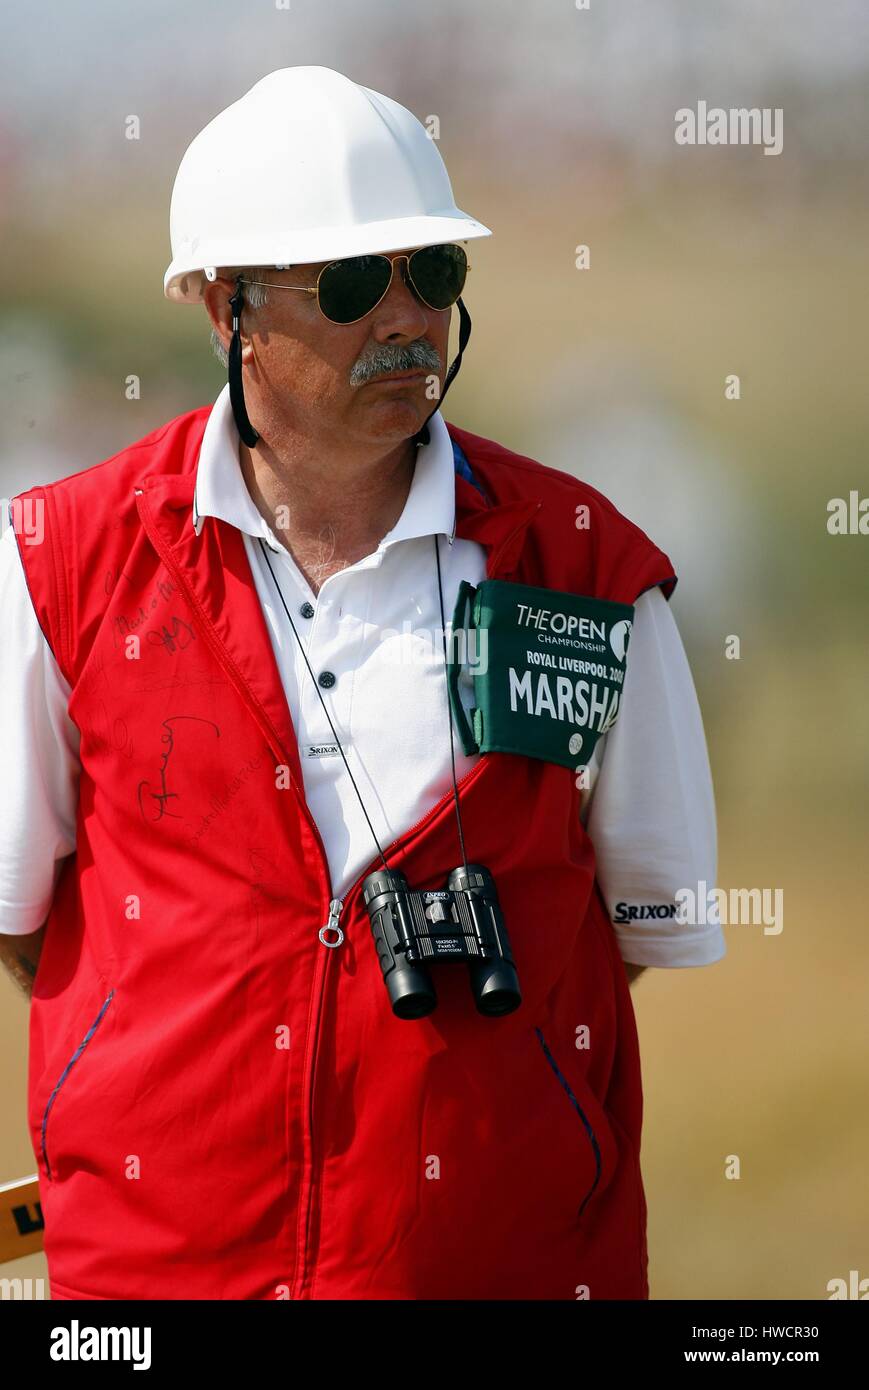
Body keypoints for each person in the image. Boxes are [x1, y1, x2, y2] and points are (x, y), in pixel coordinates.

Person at [0, 65, 724, 1301]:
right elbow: (22, 920)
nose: (405, 319)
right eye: (350, 284)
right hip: (157, 1284)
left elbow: (637, 926)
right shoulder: (57, 561)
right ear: (226, 309)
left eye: (430, 273)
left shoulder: (587, 564)